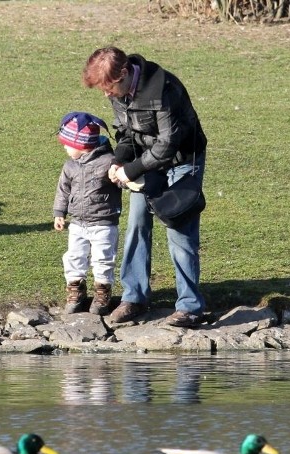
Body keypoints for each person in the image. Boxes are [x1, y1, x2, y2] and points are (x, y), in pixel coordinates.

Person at [82, 46, 208, 328]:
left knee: (179, 232)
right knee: (137, 224)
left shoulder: (165, 90)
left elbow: (167, 145)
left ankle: (190, 307)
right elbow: (126, 132)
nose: (106, 94)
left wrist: (131, 170)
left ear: (125, 73)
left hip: (182, 161)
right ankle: (134, 298)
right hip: (144, 161)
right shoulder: (120, 90)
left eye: (108, 87)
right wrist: (119, 161)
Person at [53, 111, 121, 316]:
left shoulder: (109, 162)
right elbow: (63, 190)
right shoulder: (70, 166)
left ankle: (102, 294)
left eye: (68, 144)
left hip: (103, 223)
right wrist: (59, 212)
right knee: (74, 256)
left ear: (82, 145)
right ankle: (75, 292)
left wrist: (122, 177)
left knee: (103, 259)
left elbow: (122, 183)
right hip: (78, 223)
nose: (65, 148)